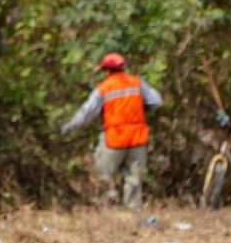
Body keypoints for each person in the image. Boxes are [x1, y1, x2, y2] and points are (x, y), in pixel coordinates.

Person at [60, 52, 163, 209]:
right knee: (134, 179)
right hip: (137, 138)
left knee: (103, 172)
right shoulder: (137, 83)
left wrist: (69, 127)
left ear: (107, 71)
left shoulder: (103, 88)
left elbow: (86, 113)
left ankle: (108, 203)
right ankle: (133, 212)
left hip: (115, 138)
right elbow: (156, 101)